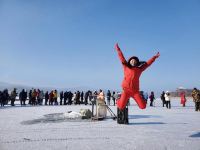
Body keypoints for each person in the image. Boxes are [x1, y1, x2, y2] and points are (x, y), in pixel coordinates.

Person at [115, 43, 160, 110]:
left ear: (136, 62)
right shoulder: (126, 67)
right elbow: (121, 58)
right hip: (126, 90)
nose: (133, 62)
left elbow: (147, 64)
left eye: (134, 61)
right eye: (132, 61)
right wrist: (118, 49)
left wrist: (154, 57)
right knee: (121, 106)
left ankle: (142, 97)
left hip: (135, 91)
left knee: (143, 106)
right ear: (129, 62)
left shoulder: (139, 69)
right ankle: (118, 99)